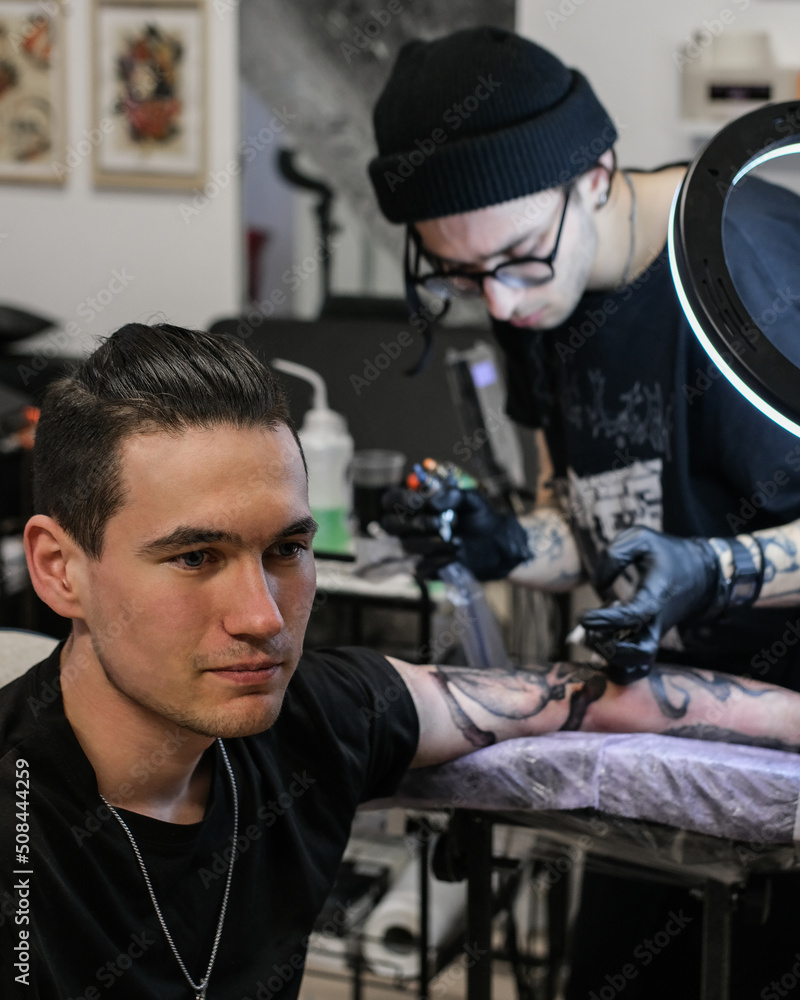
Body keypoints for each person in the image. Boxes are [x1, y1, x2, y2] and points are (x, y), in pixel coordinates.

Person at [2, 322, 800, 1000]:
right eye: (194, 557)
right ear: (58, 568)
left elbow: (578, 697)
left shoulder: (312, 719)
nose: (263, 617)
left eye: (286, 549)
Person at [367, 25, 800, 998]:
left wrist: (716, 568)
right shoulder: (533, 299)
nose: (504, 305)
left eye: (518, 259)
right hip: (656, 739)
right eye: (462, 276)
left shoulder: (753, 272)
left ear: (594, 173)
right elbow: (597, 523)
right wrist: (505, 541)